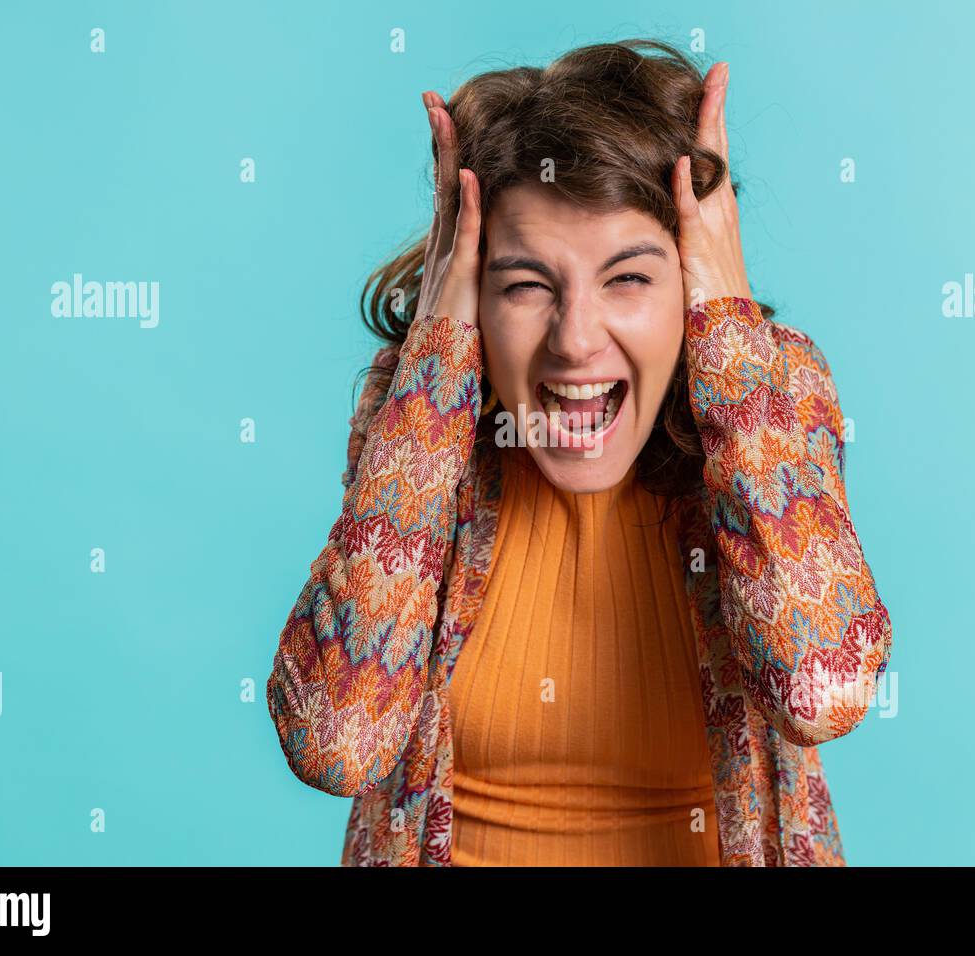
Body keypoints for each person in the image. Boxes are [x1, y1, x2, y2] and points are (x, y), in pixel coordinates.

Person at [266, 39, 893, 867]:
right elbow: (335, 739)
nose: (574, 340)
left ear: (696, 287)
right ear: (473, 293)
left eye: (629, 278)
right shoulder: (425, 417)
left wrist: (733, 340)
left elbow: (822, 686)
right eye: (526, 284)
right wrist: (437, 349)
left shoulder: (769, 406)